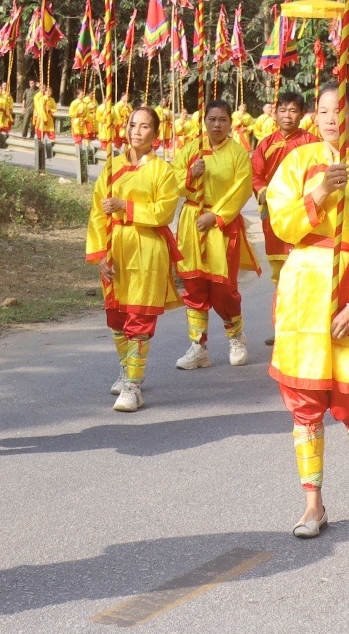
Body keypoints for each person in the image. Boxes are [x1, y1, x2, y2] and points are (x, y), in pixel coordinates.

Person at [262, 82, 349, 537]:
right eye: (322, 111)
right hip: (305, 291)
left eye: (338, 111)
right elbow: (281, 222)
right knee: (305, 401)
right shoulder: (297, 162)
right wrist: (319, 194)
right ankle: (313, 503)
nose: (328, 119)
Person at [87, 107, 181, 412]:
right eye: (132, 125)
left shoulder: (163, 171)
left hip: (148, 247)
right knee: (115, 316)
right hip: (116, 246)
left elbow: (164, 211)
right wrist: (101, 253)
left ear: (155, 133)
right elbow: (97, 212)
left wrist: (125, 206)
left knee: (138, 318)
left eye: (144, 127)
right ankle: (127, 368)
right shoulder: (112, 167)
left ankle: (133, 385)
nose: (136, 131)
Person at [174, 101, 258, 370]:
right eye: (212, 119)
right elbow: (170, 181)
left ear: (230, 123)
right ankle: (198, 345)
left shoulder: (237, 154)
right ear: (205, 121)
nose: (217, 125)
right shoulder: (191, 149)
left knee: (223, 288)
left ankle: (235, 337)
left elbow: (241, 189)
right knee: (194, 284)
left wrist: (216, 216)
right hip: (192, 221)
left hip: (222, 224)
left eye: (222, 119)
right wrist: (190, 174)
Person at [251, 92, 319, 342]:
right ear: (275, 114)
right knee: (280, 274)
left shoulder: (312, 143)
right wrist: (261, 191)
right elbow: (256, 175)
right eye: (283, 110)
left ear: (302, 115)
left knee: (304, 271)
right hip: (275, 216)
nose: (287, 115)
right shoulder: (266, 144)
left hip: (305, 215)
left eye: (293, 110)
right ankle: (283, 328)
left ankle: (306, 327)